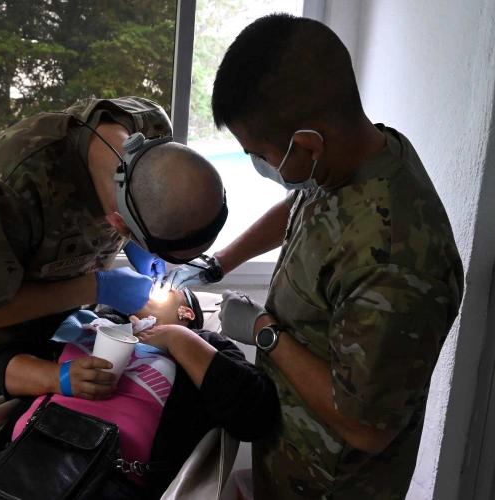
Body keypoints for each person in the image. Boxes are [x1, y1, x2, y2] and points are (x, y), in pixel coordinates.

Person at [167, 15, 464, 500]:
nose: (259, 165)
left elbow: (367, 427)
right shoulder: (352, 157)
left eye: (258, 154)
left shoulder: (394, 261)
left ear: (307, 144)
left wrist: (264, 331)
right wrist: (220, 262)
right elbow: (305, 208)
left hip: (331, 483)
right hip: (286, 458)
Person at [0, 96, 227, 488]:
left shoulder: (151, 132)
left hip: (64, 338)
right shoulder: (6, 186)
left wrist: (141, 252)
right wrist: (96, 286)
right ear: (117, 222)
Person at [0, 289, 280, 499]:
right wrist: (58, 377)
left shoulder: (204, 347)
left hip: (113, 479)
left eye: (160, 290)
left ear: (185, 312)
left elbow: (254, 415)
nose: (145, 290)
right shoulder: (89, 323)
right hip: (20, 462)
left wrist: (178, 339)